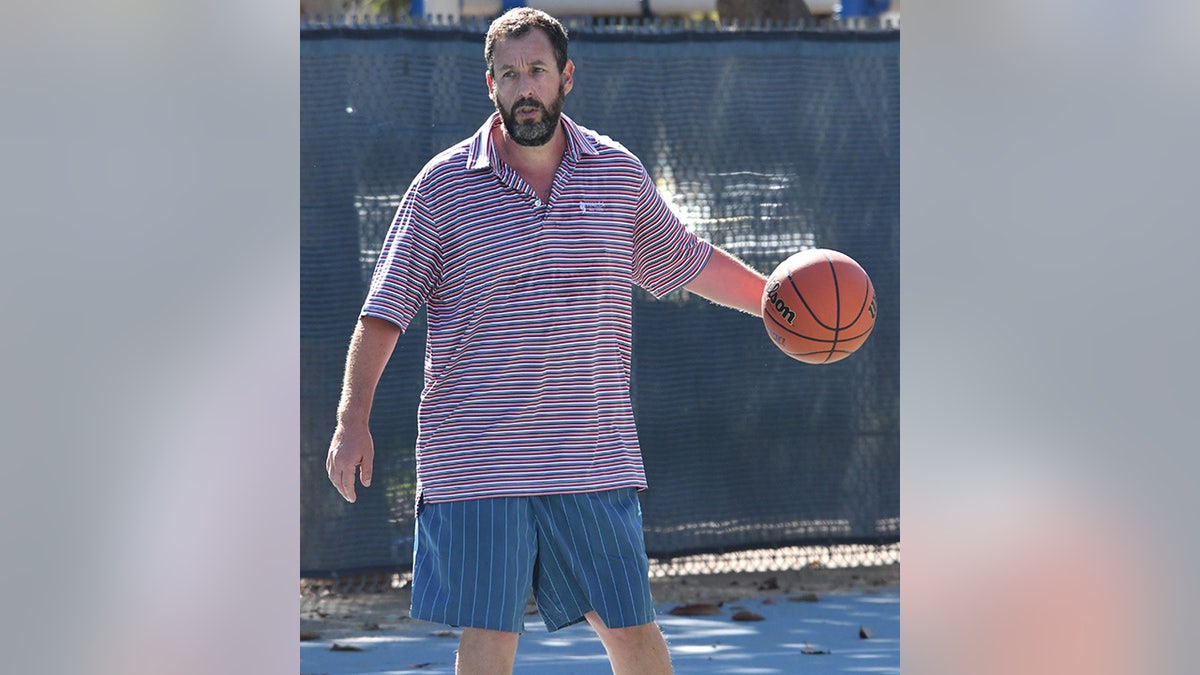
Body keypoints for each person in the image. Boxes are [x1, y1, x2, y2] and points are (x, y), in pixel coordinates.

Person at [326, 8, 767, 674]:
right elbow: (383, 311)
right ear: (490, 86)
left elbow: (691, 260)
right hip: (477, 464)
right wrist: (351, 419)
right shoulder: (441, 187)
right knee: (489, 641)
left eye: (536, 71)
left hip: (591, 460)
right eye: (508, 74)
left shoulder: (616, 174)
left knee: (635, 636)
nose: (523, 87)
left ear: (566, 76)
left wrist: (774, 301)